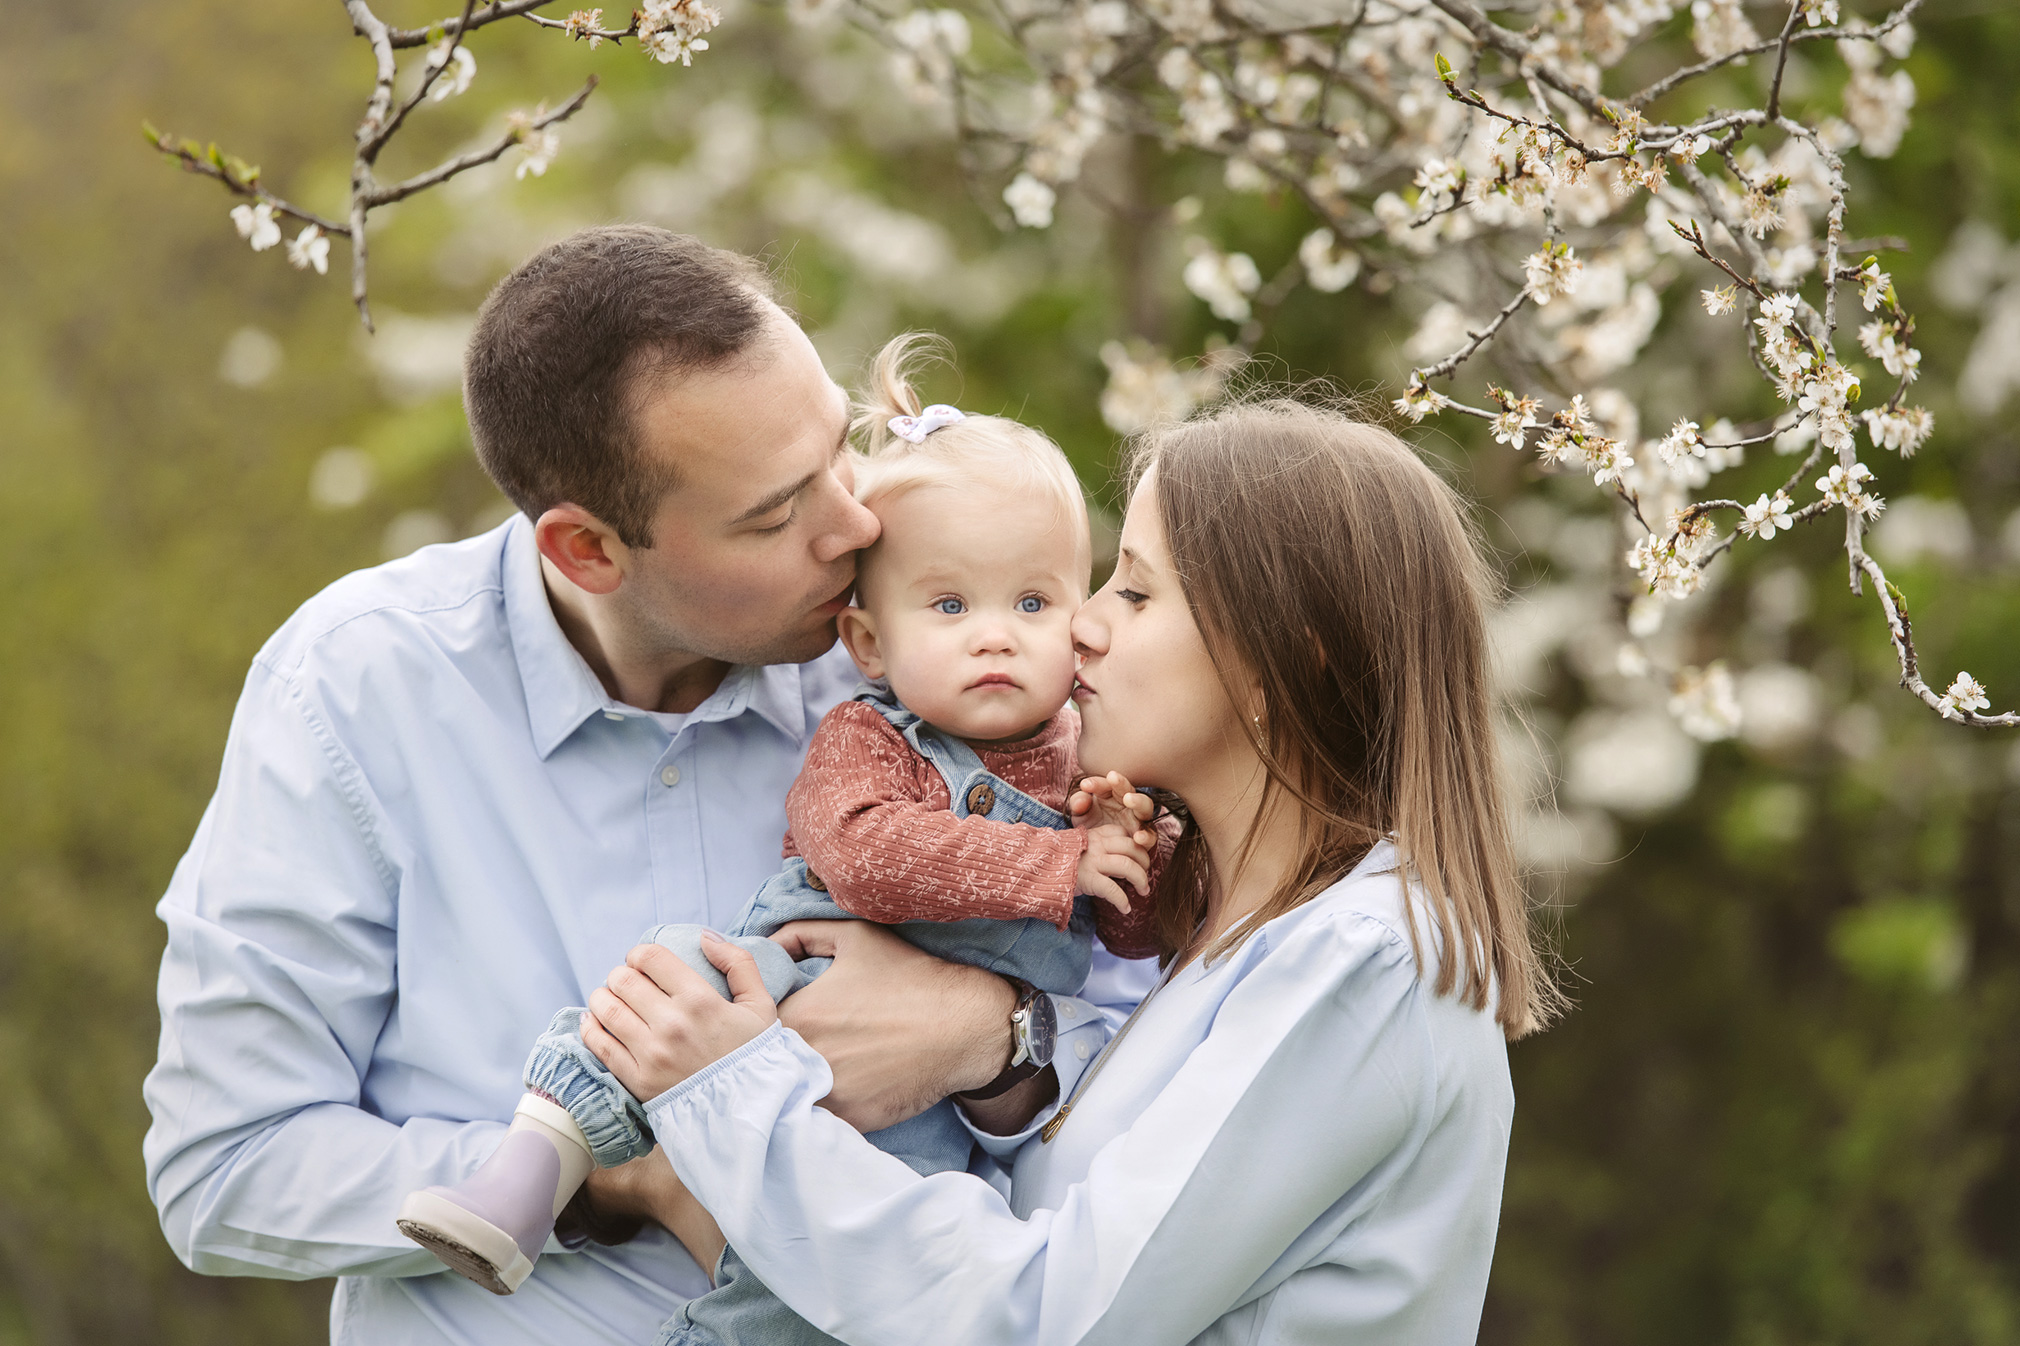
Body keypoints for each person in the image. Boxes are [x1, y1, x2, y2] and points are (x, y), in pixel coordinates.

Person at [140, 228, 1156, 1346]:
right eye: (776, 514)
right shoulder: (354, 686)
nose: (856, 523)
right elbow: (226, 1165)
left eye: (838, 451)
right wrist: (618, 1177)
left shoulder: (932, 652)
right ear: (588, 552)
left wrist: (995, 1034)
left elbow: (1144, 1035)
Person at [574, 398, 1562, 1344]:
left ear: (1276, 664)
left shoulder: (1364, 962)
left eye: (1134, 589)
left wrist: (732, 1090)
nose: (1080, 626)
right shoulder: (1224, 937)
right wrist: (997, 1052)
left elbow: (1048, 1312)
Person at [393, 335, 1166, 1346]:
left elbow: (1136, 946)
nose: (995, 635)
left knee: (855, 1273)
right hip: (785, 977)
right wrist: (1061, 862)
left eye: (1033, 602)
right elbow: (867, 856)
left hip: (921, 1126)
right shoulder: (863, 726)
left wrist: (1126, 848)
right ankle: (527, 1170)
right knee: (671, 970)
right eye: (949, 605)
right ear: (870, 647)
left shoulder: (1096, 750)